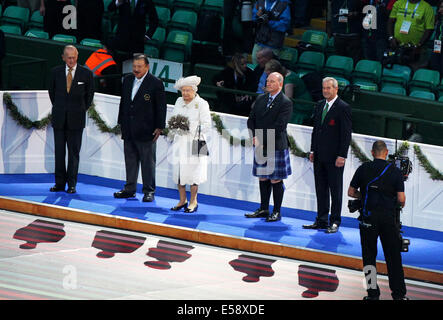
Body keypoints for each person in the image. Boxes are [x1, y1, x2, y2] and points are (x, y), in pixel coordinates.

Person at [348, 140, 408, 300]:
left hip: (368, 218)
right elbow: (401, 199)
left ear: (372, 153)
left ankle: (372, 294)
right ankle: (399, 295)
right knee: (393, 257)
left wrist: (365, 196)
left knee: (369, 257)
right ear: (386, 152)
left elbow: (351, 192)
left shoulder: (364, 168)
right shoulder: (395, 172)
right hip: (388, 219)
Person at [114, 54, 166, 202]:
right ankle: (129, 189)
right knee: (130, 161)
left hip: (147, 130)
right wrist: (121, 122)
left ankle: (149, 191)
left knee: (147, 163)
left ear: (147, 67)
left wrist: (160, 127)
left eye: (139, 67)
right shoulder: (128, 80)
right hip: (128, 128)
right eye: (134, 66)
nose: (136, 70)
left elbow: (161, 107)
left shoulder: (156, 83)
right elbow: (123, 103)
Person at [303, 77, 352, 233]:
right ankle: (322, 219)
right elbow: (316, 130)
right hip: (319, 156)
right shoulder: (319, 105)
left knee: (335, 190)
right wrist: (312, 150)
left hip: (334, 158)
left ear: (336, 89)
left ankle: (335, 221)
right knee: (321, 189)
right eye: (324, 88)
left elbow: (346, 134)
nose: (325, 91)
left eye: (329, 88)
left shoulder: (343, 107)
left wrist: (342, 155)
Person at [245, 72, 293, 222]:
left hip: (276, 145)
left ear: (280, 83)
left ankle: (277, 212)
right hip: (260, 143)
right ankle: (264, 208)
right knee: (263, 177)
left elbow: (280, 126)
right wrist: (254, 136)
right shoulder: (260, 98)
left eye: (272, 81)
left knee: (275, 179)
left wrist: (262, 140)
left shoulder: (285, 102)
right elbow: (251, 119)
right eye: (267, 81)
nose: (268, 83)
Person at [48, 45, 94, 194]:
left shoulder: (86, 74)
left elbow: (89, 97)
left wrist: (79, 110)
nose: (71, 60)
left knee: (74, 154)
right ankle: (59, 183)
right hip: (59, 119)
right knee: (59, 153)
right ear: (63, 57)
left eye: (74, 57)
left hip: (76, 120)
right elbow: (52, 94)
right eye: (69, 58)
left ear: (77, 56)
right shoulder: (55, 72)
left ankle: (72, 184)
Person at [169, 76, 212, 213]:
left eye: (188, 90)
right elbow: (172, 119)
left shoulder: (202, 103)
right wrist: (174, 128)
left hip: (197, 141)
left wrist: (189, 128)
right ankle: (182, 200)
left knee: (195, 173)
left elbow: (206, 125)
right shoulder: (178, 101)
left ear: (194, 90)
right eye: (183, 90)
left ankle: (193, 201)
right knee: (179, 172)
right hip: (180, 142)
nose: (185, 93)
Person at [388, 0, 435, 71]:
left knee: (411, 72)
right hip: (396, 46)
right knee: (393, 71)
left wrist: (419, 45)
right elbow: (390, 21)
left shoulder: (427, 8)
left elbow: (429, 29)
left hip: (414, 50)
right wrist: (391, 38)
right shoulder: (399, 3)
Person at [429, 0, 443, 74]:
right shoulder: (439, 18)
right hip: (437, 45)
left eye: (442, 7)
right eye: (440, 7)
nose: (440, 10)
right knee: (435, 67)